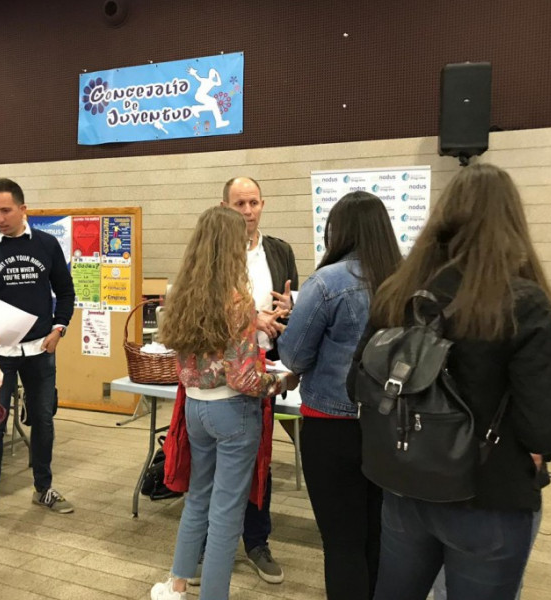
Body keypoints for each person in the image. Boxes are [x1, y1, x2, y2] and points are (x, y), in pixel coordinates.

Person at [351, 163, 551, 600]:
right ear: (512, 224)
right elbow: (543, 431)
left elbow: (355, 386)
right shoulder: (522, 304)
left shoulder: (399, 294)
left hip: (404, 485)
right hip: (490, 498)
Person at [150, 206, 299, 600]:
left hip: (196, 408)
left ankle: (178, 582)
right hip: (233, 412)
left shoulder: (182, 294)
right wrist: (282, 382)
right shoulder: (237, 301)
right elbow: (245, 378)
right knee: (227, 513)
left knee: (198, 498)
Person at [278, 191, 401, 599]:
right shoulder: (404, 280)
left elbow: (293, 354)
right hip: (391, 426)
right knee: (380, 535)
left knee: (342, 541)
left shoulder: (328, 282)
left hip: (332, 426)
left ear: (340, 231)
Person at [0, 178, 76, 533]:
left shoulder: (46, 244)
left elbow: (66, 292)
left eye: (6, 210)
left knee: (43, 419)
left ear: (24, 209)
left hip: (40, 350)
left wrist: (59, 329)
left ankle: (43, 488)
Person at [217, 175, 297, 583]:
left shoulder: (280, 251)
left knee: (260, 461)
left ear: (263, 204)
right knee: (220, 465)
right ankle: (213, 544)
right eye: (239, 204)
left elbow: (293, 306)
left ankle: (256, 540)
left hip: (267, 370)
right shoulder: (215, 254)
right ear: (225, 207)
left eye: (253, 203)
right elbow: (208, 308)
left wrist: (289, 307)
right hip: (223, 374)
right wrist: (253, 318)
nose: (247, 211)